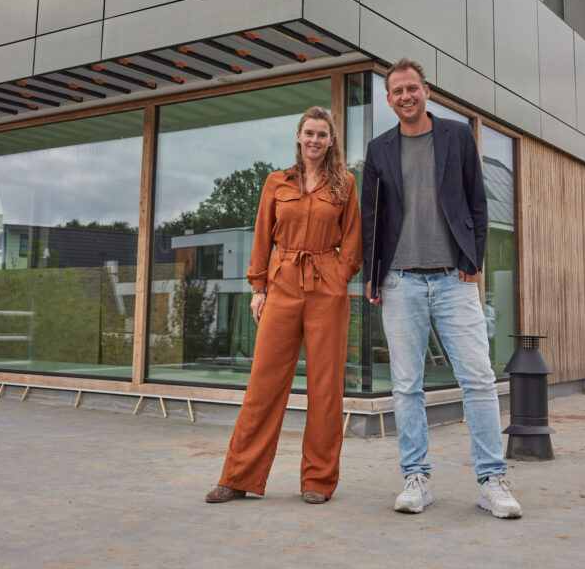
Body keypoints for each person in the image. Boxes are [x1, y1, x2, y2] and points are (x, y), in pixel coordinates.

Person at [361, 58, 522, 518]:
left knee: (479, 379)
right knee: (406, 386)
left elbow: (477, 201)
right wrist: (373, 274)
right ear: (389, 99)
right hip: (399, 281)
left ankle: (492, 480)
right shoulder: (378, 149)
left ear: (426, 91)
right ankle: (416, 478)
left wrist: (474, 259)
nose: (406, 96)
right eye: (397, 91)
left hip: (455, 279)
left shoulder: (456, 136)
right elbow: (371, 217)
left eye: (412, 88)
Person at [206, 106, 362, 505]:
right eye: (309, 133)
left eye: (322, 134)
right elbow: (262, 236)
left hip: (326, 286)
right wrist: (258, 288)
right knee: (263, 382)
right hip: (282, 283)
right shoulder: (277, 182)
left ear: (331, 141)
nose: (315, 140)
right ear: (298, 136)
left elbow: (353, 239)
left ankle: (318, 481)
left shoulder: (345, 183)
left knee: (325, 387)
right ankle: (237, 477)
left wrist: (339, 275)